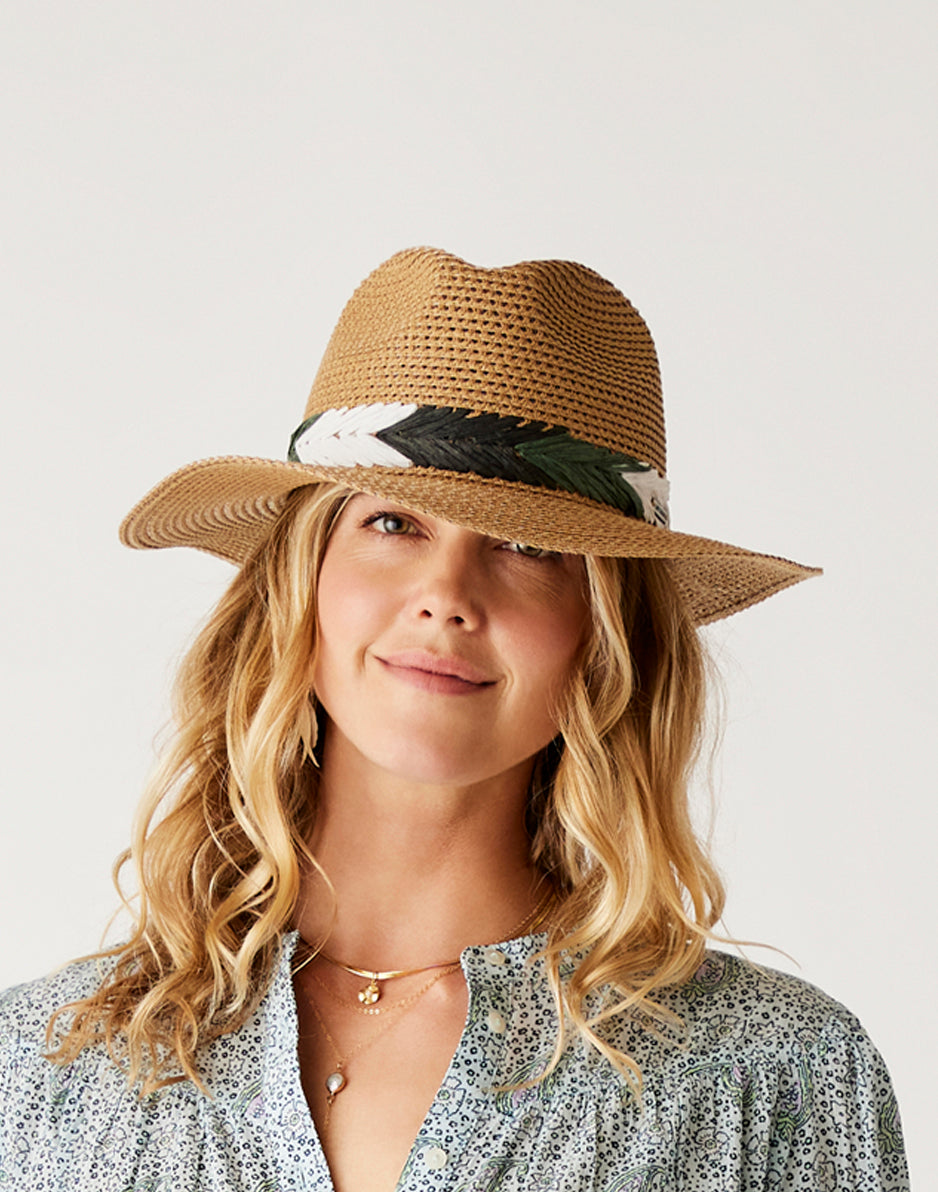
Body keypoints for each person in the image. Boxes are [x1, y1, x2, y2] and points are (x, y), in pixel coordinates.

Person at [0, 248, 909, 1190]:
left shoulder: (774, 1078)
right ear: (300, 583)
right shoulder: (42, 1073)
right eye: (394, 523)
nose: (447, 596)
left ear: (605, 635)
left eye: (529, 546)